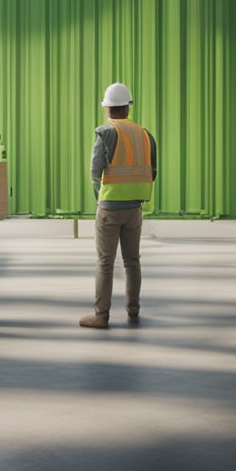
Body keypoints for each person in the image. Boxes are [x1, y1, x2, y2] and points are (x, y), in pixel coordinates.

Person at [80, 82, 157, 329]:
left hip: (110, 207)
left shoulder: (106, 132)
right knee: (132, 261)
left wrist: (100, 197)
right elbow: (152, 171)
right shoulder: (145, 135)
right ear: (127, 107)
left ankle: (101, 315)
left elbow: (95, 171)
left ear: (108, 108)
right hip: (135, 207)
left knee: (105, 262)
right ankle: (133, 312)